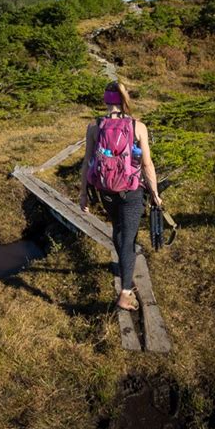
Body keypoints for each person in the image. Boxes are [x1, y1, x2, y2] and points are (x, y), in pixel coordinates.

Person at [79, 80, 162, 311]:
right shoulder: (138, 126)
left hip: (105, 190)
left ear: (105, 101)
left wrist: (83, 195)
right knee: (128, 239)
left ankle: (123, 266)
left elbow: (87, 163)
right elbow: (147, 164)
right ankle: (125, 293)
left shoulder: (94, 126)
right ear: (124, 101)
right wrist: (154, 193)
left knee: (117, 228)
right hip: (131, 191)